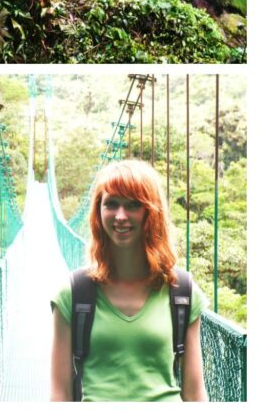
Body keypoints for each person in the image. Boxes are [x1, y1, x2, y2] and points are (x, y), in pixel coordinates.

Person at [50, 159, 207, 402]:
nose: (120, 216)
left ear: (151, 212)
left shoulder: (182, 291)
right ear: (98, 211)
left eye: (133, 205)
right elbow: (59, 394)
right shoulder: (73, 294)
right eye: (111, 204)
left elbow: (195, 394)